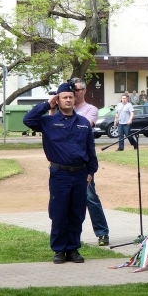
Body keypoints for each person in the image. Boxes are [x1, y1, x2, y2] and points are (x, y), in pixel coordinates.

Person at [24, 82, 98, 264]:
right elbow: (28, 120)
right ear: (58, 100)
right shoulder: (48, 122)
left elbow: (90, 149)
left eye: (70, 97)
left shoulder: (83, 123)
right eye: (64, 97)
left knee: (76, 213)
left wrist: (91, 172)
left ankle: (73, 249)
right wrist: (46, 105)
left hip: (80, 175)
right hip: (60, 175)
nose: (68, 100)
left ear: (75, 99)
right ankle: (58, 250)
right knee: (59, 213)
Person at [72, 78, 110, 246]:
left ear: (84, 90)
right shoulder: (63, 108)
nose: (74, 93)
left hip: (84, 160)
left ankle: (102, 233)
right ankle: (71, 236)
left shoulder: (91, 109)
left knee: (90, 197)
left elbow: (84, 127)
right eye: (72, 90)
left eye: (77, 90)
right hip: (66, 160)